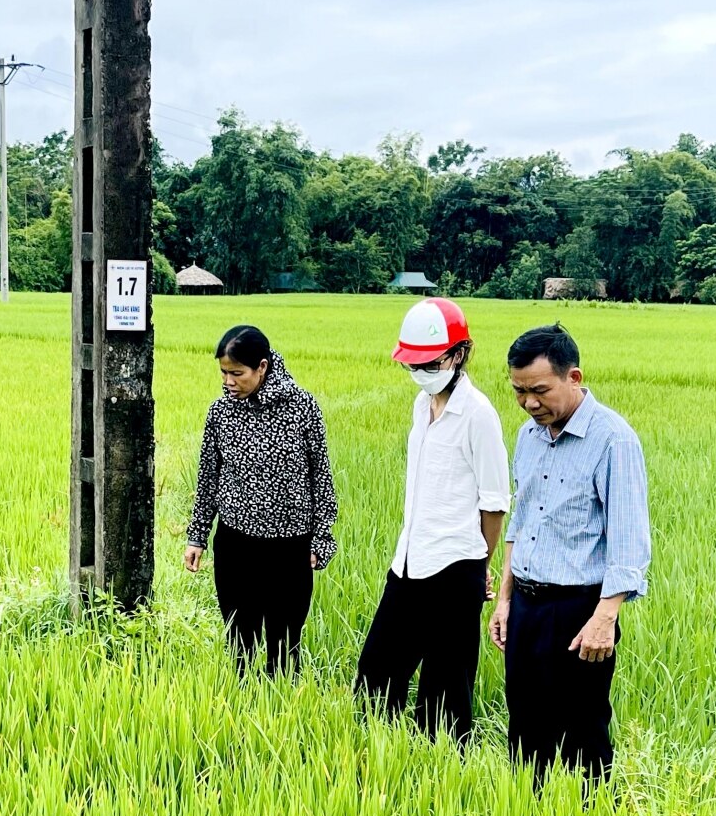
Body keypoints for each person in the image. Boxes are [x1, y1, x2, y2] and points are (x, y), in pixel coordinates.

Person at [490, 324, 650, 781]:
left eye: (539, 390)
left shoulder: (613, 440)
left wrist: (606, 618)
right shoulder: (528, 435)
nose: (529, 402)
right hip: (526, 603)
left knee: (584, 733)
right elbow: (522, 523)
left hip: (580, 610)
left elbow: (629, 539)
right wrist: (505, 600)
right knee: (524, 725)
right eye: (519, 391)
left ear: (574, 377)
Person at [355, 298, 511, 742]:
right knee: (374, 680)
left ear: (458, 355)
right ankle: (374, 761)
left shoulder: (478, 415)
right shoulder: (420, 406)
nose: (420, 372)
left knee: (444, 698)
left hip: (455, 567)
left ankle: (440, 776)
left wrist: (480, 564)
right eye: (413, 364)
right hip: (408, 561)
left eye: (429, 362)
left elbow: (494, 502)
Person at [184, 325, 338, 675]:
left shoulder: (302, 407)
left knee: (284, 645)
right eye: (223, 373)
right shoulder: (221, 412)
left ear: (262, 367)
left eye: (236, 373)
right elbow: (208, 477)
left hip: (289, 545)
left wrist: (322, 537)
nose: (228, 382)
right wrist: (197, 536)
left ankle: (279, 711)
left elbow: (321, 478)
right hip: (236, 543)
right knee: (239, 639)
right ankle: (242, 707)